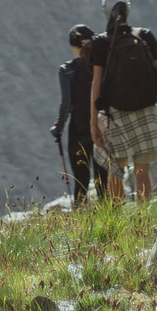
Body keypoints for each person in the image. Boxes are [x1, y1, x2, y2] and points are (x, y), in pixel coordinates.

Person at [86, 0, 157, 201]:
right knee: (142, 170)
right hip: (146, 108)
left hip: (116, 112)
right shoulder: (144, 35)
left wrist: (93, 121)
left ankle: (117, 219)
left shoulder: (100, 42)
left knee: (115, 170)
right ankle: (144, 218)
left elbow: (97, 81)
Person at [51, 24, 106, 202]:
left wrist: (58, 128)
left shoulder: (67, 70)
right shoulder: (102, 64)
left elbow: (66, 104)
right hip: (102, 128)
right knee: (102, 178)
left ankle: (80, 217)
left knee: (81, 180)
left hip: (79, 130)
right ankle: (109, 216)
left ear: (73, 46)